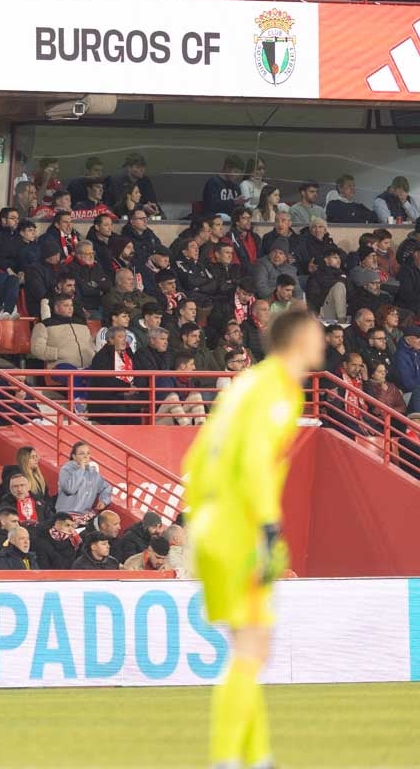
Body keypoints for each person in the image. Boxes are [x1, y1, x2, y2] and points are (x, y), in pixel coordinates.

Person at [182, 309, 324, 769]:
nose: (324, 339)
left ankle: (256, 758)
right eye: (319, 332)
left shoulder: (248, 384)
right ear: (300, 338)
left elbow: (202, 456)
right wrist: (266, 527)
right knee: (251, 651)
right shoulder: (280, 388)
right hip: (236, 525)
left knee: (251, 648)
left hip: (210, 521)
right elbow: (257, 458)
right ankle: (226, 759)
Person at [55, 441, 113, 517]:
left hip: (84, 516)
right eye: (82, 453)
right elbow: (69, 489)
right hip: (65, 515)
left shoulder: (93, 473)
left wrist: (104, 501)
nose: (86, 456)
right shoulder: (66, 469)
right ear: (74, 456)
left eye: (88, 453)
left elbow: (106, 487)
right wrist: (81, 469)